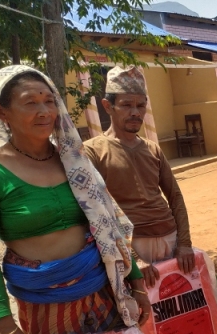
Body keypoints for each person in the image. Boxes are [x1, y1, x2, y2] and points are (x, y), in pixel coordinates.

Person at [0, 65, 176, 334]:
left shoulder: (73, 159)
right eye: (30, 103)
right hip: (44, 312)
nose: (44, 111)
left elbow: (108, 225)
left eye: (49, 101)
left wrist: (135, 283)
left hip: (101, 296)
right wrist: (4, 325)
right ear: (1, 112)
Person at [83, 66, 195, 288]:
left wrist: (184, 243)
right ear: (108, 106)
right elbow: (97, 211)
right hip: (130, 244)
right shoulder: (92, 151)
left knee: (178, 301)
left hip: (170, 239)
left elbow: (175, 197)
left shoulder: (153, 149)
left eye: (141, 105)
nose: (135, 112)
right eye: (126, 105)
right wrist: (133, 257)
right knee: (140, 306)